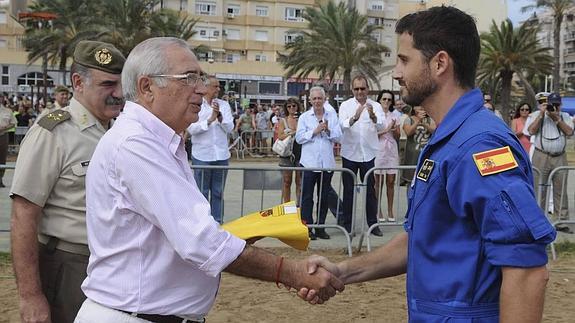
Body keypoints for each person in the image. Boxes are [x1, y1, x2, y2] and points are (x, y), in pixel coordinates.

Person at [300, 6, 556, 322]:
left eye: (404, 60)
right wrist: (343, 271)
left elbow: (527, 270)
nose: (395, 72)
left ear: (439, 63)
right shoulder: (447, 140)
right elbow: (420, 239)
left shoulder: (480, 145)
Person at [75, 37, 343, 322]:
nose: (201, 90)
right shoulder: (135, 145)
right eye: (189, 78)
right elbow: (200, 241)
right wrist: (290, 272)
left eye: (200, 78)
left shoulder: (156, 141)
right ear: (147, 87)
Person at [10, 40, 125, 323]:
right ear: (78, 82)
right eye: (108, 84)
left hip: (115, 266)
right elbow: (23, 214)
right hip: (70, 266)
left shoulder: (120, 131)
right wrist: (30, 296)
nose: (119, 93)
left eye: (122, 84)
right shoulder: (52, 132)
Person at [338, 74, 386, 236]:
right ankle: (347, 226)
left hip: (369, 154)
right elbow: (341, 126)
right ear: (352, 89)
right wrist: (354, 118)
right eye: (357, 88)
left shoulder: (376, 106)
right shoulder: (345, 105)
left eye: (363, 88)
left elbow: (382, 125)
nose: (360, 91)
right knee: (349, 191)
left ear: (368, 89)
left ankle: (373, 225)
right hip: (350, 154)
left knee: (370, 192)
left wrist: (372, 116)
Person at [296, 86, 342, 240]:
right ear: (310, 100)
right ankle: (307, 227)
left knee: (324, 197)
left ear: (324, 99)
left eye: (319, 98)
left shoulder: (331, 115)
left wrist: (328, 131)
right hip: (309, 163)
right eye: (314, 98)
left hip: (326, 164)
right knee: (307, 197)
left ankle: (320, 226)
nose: (317, 101)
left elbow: (339, 137)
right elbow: (299, 138)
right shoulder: (304, 117)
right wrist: (314, 131)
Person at [524, 92, 574, 233]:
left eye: (557, 105)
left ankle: (562, 221)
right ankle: (538, 221)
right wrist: (541, 115)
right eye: (552, 105)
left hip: (560, 156)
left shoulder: (565, 116)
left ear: (561, 105)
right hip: (541, 155)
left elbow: (569, 132)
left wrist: (557, 119)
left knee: (561, 189)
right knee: (539, 188)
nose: (555, 108)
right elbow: (531, 131)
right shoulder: (536, 115)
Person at [187, 75, 233, 224]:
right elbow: (191, 128)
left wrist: (219, 117)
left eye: (219, 87)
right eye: (216, 86)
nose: (218, 89)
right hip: (202, 155)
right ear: (205, 88)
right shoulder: (195, 104)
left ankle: (218, 222)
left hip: (221, 155)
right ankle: (203, 223)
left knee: (218, 192)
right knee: (201, 192)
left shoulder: (224, 105)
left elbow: (230, 128)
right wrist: (209, 120)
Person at [374, 90, 400, 222]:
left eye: (389, 100)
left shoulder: (395, 115)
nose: (386, 102)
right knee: (378, 181)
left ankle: (390, 210)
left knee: (391, 181)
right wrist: (386, 129)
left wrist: (395, 130)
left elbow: (398, 136)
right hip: (379, 148)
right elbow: (371, 134)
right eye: (384, 99)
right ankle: (378, 210)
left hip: (391, 149)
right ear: (379, 100)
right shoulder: (375, 114)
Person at [277, 97, 302, 204]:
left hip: (300, 152)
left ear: (297, 106)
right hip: (286, 154)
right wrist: (292, 132)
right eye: (289, 106)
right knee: (287, 181)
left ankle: (299, 205)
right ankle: (287, 206)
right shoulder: (283, 120)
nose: (292, 108)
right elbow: (280, 136)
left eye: (294, 106)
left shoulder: (302, 119)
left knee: (299, 182)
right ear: (286, 108)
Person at [401, 105, 435, 183]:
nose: (421, 107)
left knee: (424, 180)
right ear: (414, 108)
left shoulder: (430, 119)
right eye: (418, 105)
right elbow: (408, 132)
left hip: (426, 154)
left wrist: (425, 124)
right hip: (412, 155)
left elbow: (435, 132)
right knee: (410, 181)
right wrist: (418, 121)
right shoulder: (408, 119)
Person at [0, 94, 17, 187]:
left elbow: (13, 123)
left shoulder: (8, 111)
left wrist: (5, 127)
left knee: (2, 158)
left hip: (3, 135)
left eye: (1, 97)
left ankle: (0, 179)